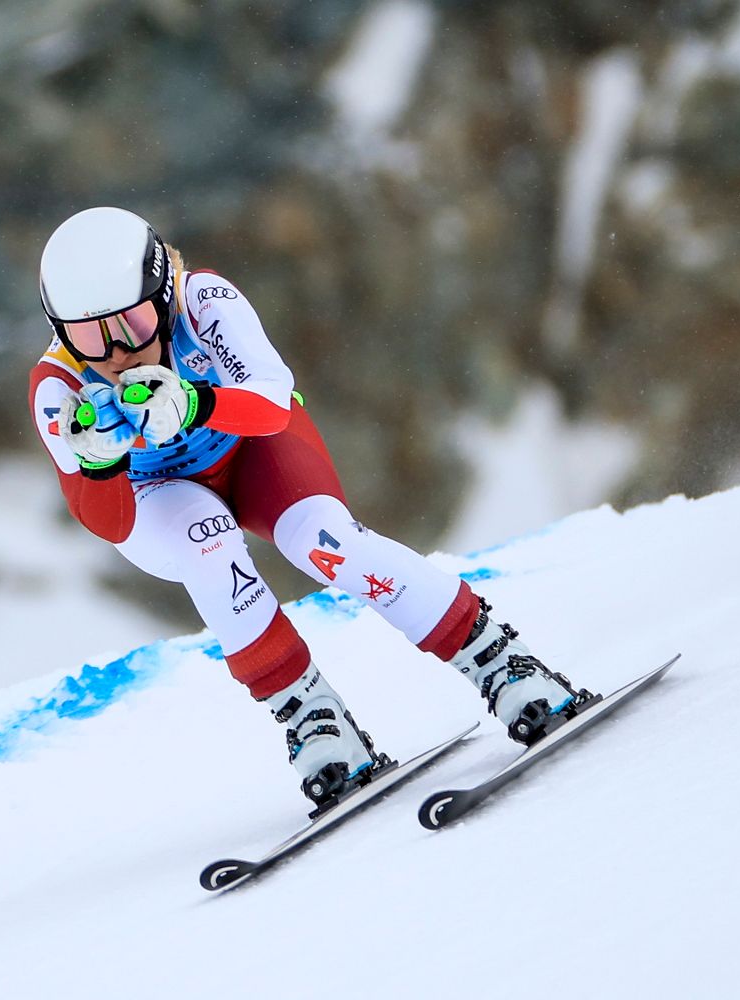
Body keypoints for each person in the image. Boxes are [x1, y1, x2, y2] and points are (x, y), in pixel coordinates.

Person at [29, 206, 594, 814]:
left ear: (164, 294)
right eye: (88, 336)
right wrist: (99, 463)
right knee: (206, 543)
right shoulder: (58, 392)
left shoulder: (205, 302)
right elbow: (109, 524)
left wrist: (194, 402)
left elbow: (271, 403)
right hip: (159, 493)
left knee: (328, 543)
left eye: (134, 323)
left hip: (251, 446)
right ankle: (315, 722)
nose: (116, 352)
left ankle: (503, 665)